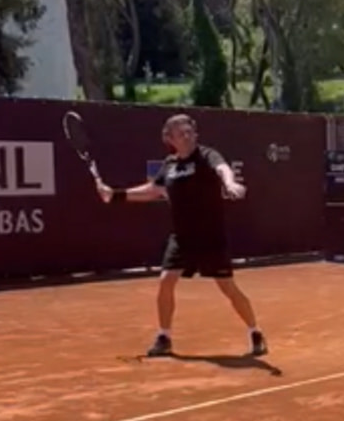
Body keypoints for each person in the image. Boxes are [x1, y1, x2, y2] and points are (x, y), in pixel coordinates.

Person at [97, 113, 268, 359]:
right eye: (181, 133)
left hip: (211, 237)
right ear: (170, 139)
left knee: (228, 287)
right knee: (166, 280)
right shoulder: (169, 166)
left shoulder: (207, 155)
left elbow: (222, 169)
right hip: (182, 238)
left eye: (190, 132)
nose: (187, 136)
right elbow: (153, 191)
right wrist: (116, 195)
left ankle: (255, 332)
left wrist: (230, 184)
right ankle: (164, 337)